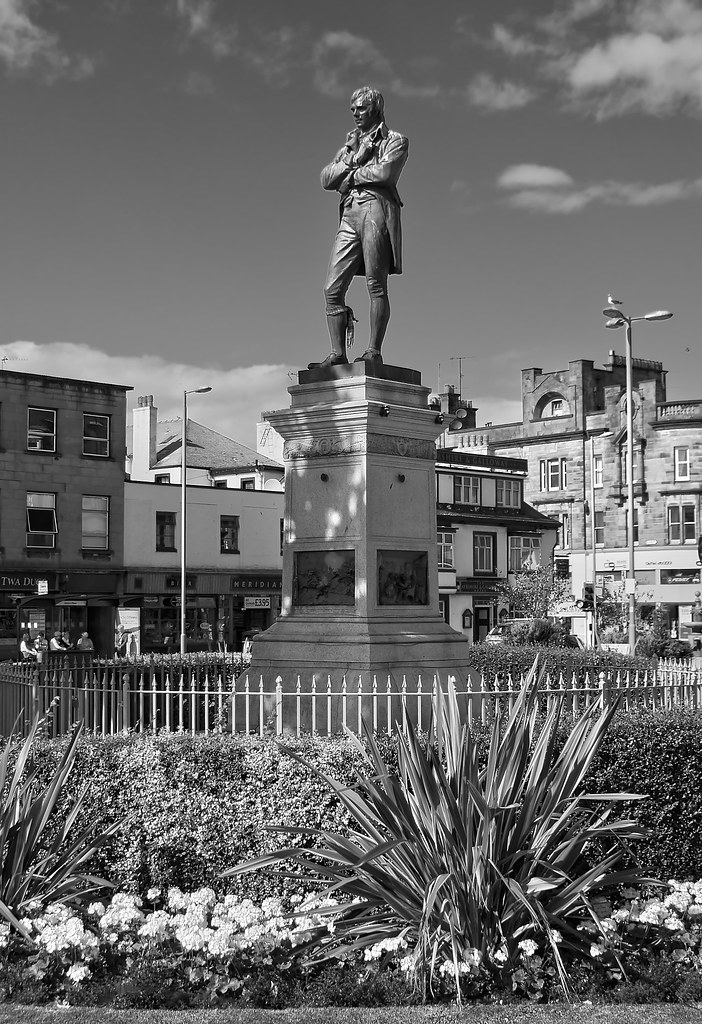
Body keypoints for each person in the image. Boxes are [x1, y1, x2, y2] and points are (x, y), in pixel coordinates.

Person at [310, 86, 408, 370]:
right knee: (332, 288)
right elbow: (327, 178)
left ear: (375, 108)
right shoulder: (351, 146)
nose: (355, 113)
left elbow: (386, 173)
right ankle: (337, 353)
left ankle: (373, 351)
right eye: (352, 109)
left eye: (361, 108)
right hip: (350, 215)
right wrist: (355, 157)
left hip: (375, 209)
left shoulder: (395, 140)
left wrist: (350, 175)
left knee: (376, 284)